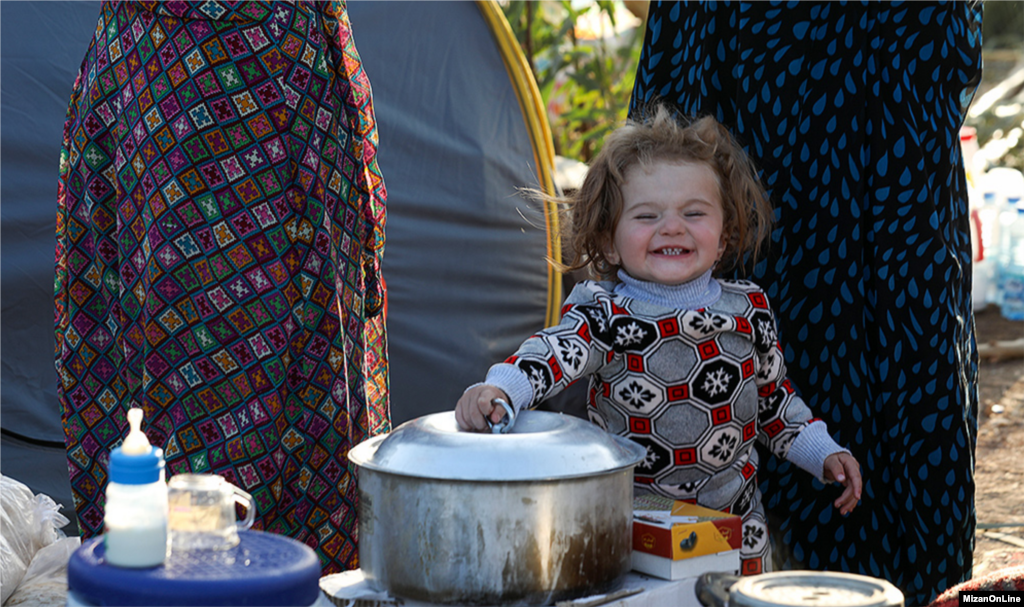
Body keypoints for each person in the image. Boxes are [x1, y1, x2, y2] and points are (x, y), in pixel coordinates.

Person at [628, 3, 982, 605]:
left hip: (871, 56)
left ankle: (897, 589)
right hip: (761, 51)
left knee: (897, 328)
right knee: (722, 300)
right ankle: (757, 582)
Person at [54, 0, 388, 574]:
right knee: (175, 354)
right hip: (173, 82)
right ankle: (193, 572)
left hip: (246, 73)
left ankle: (260, 576)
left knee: (306, 367)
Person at [455, 105, 863, 574]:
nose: (672, 227)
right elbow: (552, 352)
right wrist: (503, 388)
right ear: (609, 241)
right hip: (638, 526)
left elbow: (773, 404)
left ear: (725, 235)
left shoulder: (748, 309)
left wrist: (823, 451)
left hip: (737, 526)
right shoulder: (605, 313)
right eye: (647, 216)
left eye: (694, 212)